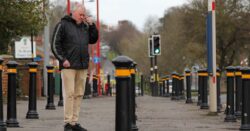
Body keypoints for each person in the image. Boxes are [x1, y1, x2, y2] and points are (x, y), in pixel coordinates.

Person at [51, 2, 98, 131]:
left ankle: (74, 121)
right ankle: (67, 122)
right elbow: (55, 44)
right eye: (81, 14)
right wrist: (63, 59)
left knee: (79, 94)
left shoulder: (85, 27)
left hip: (82, 65)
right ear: (73, 13)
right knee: (69, 94)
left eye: (84, 15)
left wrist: (92, 25)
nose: (83, 17)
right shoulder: (63, 24)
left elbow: (93, 39)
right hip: (68, 65)